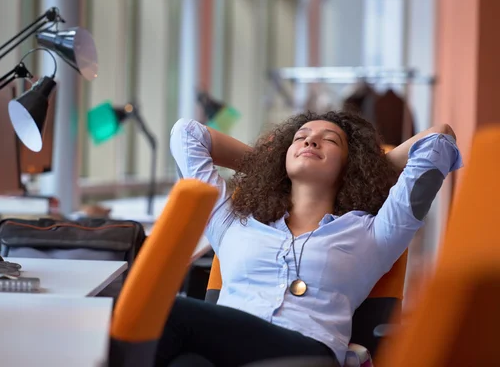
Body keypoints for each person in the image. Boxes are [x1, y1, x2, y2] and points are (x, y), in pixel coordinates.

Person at [157, 111, 462, 367]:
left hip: (307, 353)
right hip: (226, 349)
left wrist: (369, 171)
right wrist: (270, 166)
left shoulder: (374, 233)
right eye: (299, 137)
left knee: (165, 310)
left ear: (350, 163)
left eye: (330, 140)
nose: (310, 140)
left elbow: (439, 139)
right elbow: (186, 133)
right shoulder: (232, 222)